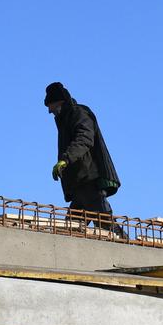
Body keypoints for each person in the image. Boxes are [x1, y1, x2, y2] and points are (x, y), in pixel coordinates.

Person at [44, 82, 126, 239]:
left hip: (90, 180)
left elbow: (84, 139)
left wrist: (65, 160)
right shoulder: (65, 120)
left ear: (59, 102)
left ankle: (127, 247)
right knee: (71, 231)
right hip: (78, 186)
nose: (49, 111)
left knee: (105, 224)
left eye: (51, 105)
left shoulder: (79, 114)